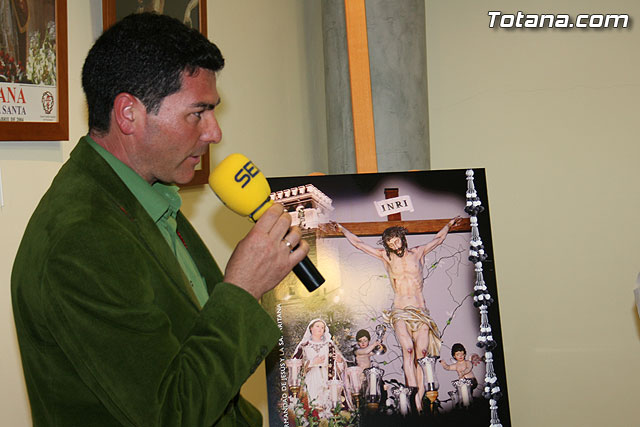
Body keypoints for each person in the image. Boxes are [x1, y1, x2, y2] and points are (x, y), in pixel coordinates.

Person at [11, 12, 309, 426]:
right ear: (128, 114)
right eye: (197, 113)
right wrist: (242, 289)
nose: (215, 133)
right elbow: (172, 414)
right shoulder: (81, 240)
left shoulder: (147, 195)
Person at [330, 217, 461, 410]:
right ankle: (413, 397)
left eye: (397, 241)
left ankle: (420, 401)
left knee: (422, 355)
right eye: (390, 244)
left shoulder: (418, 252)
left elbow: (438, 239)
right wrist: (342, 229)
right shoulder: (386, 257)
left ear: (402, 238)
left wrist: (449, 225)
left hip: (420, 311)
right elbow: (359, 244)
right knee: (408, 350)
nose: (395, 246)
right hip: (399, 310)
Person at [292, 319, 345, 411]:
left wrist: (339, 361)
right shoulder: (304, 345)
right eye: (317, 326)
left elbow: (338, 368)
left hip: (326, 378)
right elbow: (295, 365)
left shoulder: (329, 345)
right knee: (312, 403)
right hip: (311, 378)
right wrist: (312, 362)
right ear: (311, 328)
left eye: (322, 327)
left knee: (327, 404)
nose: (320, 329)